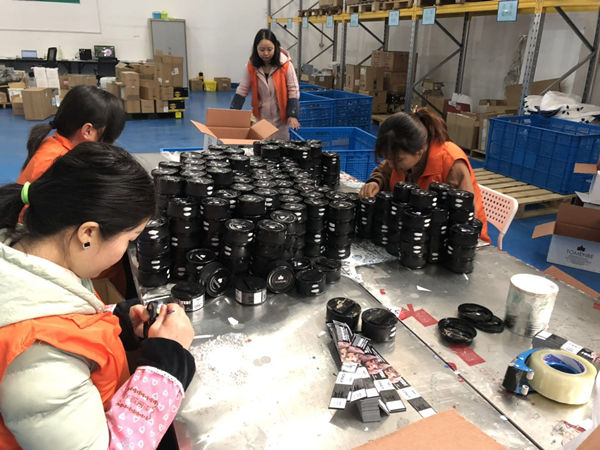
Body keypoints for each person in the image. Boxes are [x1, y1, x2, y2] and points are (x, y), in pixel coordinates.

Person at [0, 142, 196, 449]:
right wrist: (167, 363)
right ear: (88, 234)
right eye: (129, 239)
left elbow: (57, 317)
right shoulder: (38, 360)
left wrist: (117, 321)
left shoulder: (24, 250)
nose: (126, 250)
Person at [360, 108, 490, 243]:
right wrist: (375, 182)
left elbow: (466, 215)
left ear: (420, 150)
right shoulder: (400, 158)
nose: (392, 165)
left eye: (398, 160)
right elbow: (384, 171)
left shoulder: (451, 162)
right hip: (414, 232)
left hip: (460, 241)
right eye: (388, 158)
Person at [17, 84, 125, 184]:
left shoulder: (53, 143)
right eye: (110, 137)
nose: (114, 142)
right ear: (88, 131)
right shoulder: (60, 165)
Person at [230, 28, 300, 140]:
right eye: (262, 50)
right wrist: (233, 112)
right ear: (256, 49)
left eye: (269, 49)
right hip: (261, 118)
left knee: (280, 147)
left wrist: (293, 114)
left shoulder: (286, 65)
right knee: (262, 147)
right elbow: (242, 89)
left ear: (275, 47)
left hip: (281, 120)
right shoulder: (251, 66)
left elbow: (293, 90)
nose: (266, 53)